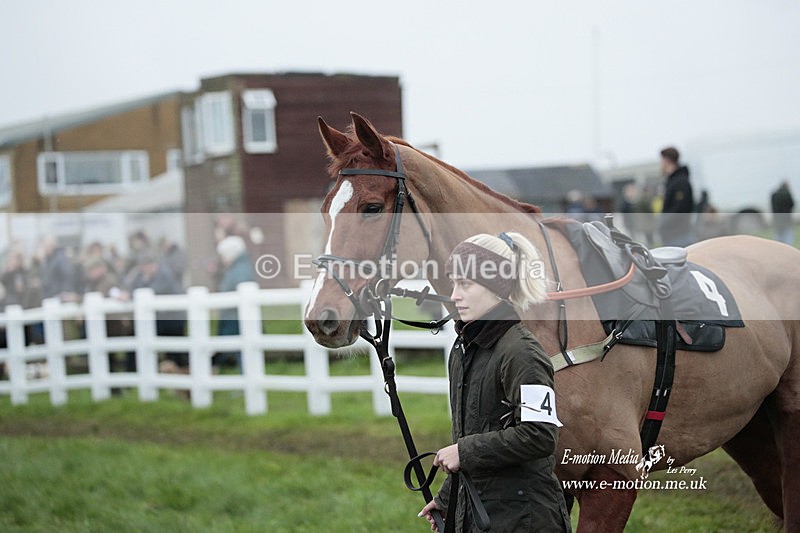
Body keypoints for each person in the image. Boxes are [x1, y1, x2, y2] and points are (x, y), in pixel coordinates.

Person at [419, 232, 571, 532]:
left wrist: (464, 451)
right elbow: (476, 431)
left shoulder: (522, 353)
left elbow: (540, 435)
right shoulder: (464, 349)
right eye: (453, 283)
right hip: (483, 515)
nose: (454, 295)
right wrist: (449, 498)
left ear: (495, 288)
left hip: (525, 520)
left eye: (465, 284)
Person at [213, 235, 256, 369]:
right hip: (234, 317)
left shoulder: (240, 269)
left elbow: (238, 292)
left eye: (224, 255)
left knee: (241, 350)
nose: (222, 259)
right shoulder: (236, 268)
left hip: (236, 318)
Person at [657, 146, 695, 247]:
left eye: (661, 160)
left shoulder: (680, 181)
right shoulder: (671, 181)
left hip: (679, 235)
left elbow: (680, 208)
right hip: (672, 235)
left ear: (667, 160)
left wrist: (663, 222)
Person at [771, 180, 795, 246]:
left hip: (776, 219)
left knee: (777, 238)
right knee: (788, 238)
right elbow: (792, 204)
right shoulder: (787, 194)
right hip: (786, 219)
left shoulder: (774, 194)